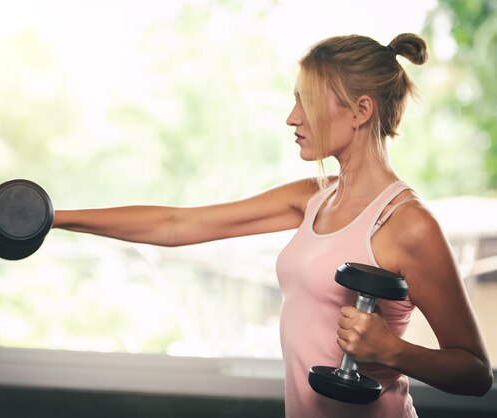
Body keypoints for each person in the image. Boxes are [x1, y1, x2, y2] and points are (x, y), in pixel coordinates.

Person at [53, 33, 493, 417]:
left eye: (307, 100)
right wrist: (52, 219)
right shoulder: (312, 197)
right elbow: (177, 224)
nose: (291, 117)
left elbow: (475, 373)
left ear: (360, 110)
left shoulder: (407, 223)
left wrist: (393, 351)